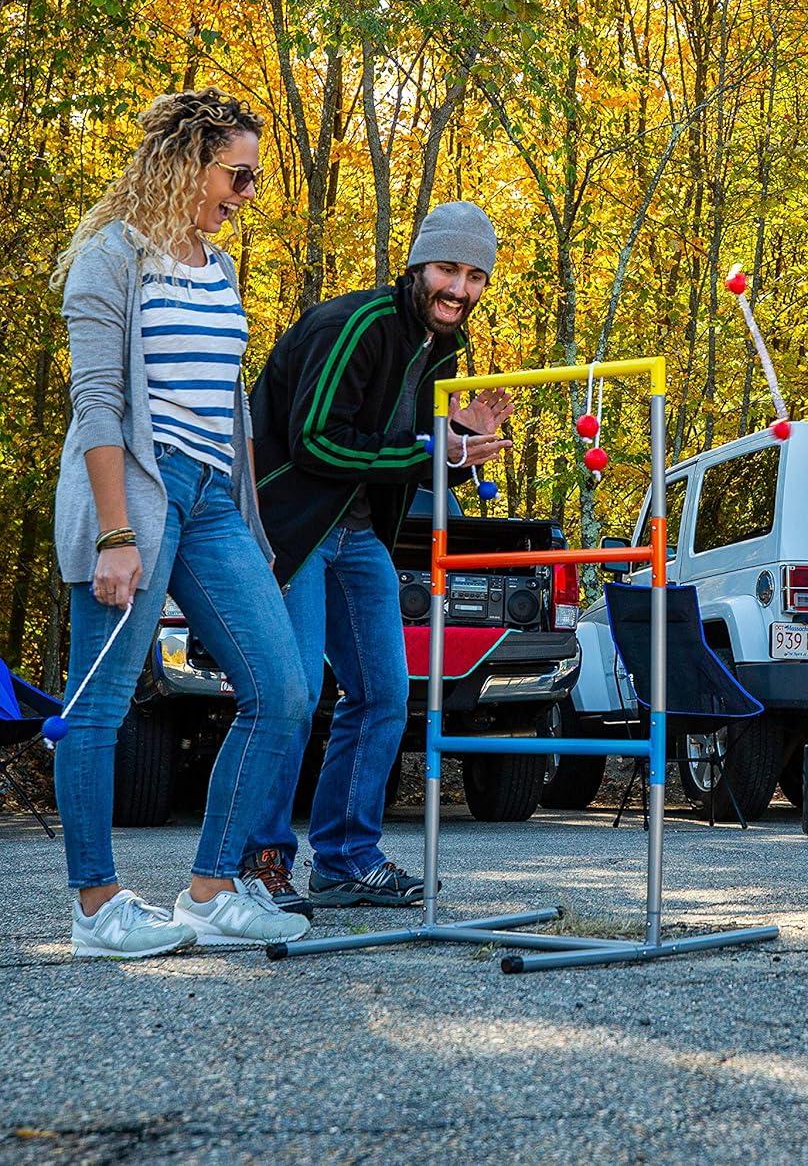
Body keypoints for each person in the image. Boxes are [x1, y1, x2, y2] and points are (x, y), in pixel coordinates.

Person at [50, 88, 311, 958]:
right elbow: (96, 405)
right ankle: (96, 906)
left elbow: (225, 407)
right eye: (237, 174)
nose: (247, 192)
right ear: (184, 163)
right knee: (102, 705)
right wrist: (116, 534)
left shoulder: (218, 265)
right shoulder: (110, 256)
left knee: (282, 692)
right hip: (139, 493)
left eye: (254, 177)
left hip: (212, 504)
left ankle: (208, 890)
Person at [239, 202, 511, 913]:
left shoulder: (443, 348)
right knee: (291, 697)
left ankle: (346, 861)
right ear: (419, 265)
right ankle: (259, 863)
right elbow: (316, 442)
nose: (461, 288)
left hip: (359, 535)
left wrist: (455, 443)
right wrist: (432, 450)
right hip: (291, 527)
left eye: (476, 275)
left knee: (384, 693)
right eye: (450, 269)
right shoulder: (355, 325)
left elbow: (410, 458)